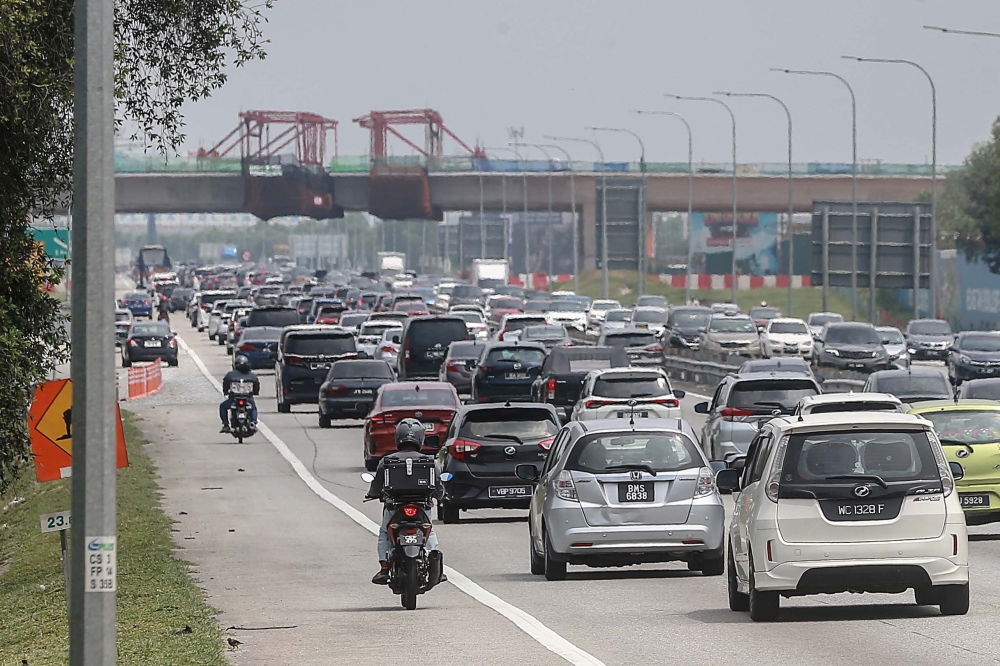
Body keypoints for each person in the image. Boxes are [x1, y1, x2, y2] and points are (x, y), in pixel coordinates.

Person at [366, 418, 445, 585]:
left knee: (385, 532)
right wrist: (440, 496)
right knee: (429, 530)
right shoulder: (430, 461)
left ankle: (384, 568)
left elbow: (377, 484)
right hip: (422, 507)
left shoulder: (387, 460)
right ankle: (435, 561)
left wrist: (372, 493)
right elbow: (438, 486)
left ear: (398, 437)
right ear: (420, 438)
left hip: (394, 508)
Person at [220, 355, 260, 433]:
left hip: (234, 398)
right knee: (253, 408)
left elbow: (225, 384)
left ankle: (226, 424)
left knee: (223, 407)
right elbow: (256, 385)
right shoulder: (252, 375)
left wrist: (225, 391)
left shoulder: (230, 374)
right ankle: (253, 422)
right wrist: (255, 392)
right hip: (247, 398)